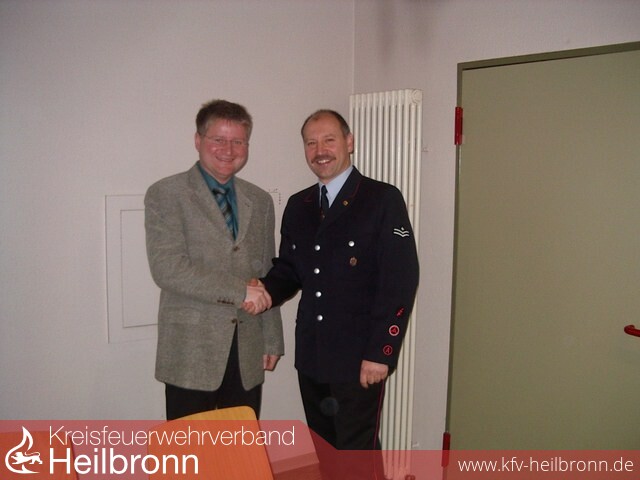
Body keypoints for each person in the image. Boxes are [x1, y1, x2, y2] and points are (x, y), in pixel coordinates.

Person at [247, 109, 419, 454]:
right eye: (311, 143)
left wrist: (381, 352)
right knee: (324, 449)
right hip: (313, 354)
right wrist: (265, 290)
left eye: (329, 140)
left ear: (349, 142)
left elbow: (400, 280)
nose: (320, 150)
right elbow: (291, 270)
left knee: (357, 455)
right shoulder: (299, 205)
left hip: (359, 358)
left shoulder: (381, 199)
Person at [145, 99, 283, 420]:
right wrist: (240, 291)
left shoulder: (259, 200)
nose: (228, 150)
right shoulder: (166, 194)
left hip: (247, 349)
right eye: (218, 139)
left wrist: (272, 338)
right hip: (191, 350)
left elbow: (267, 271)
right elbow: (168, 269)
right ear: (198, 140)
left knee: (241, 445)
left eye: (238, 141)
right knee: (189, 447)